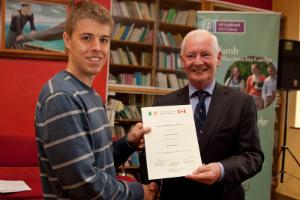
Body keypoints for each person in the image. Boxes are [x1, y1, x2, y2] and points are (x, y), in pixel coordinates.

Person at [34, 1, 157, 199]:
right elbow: (83, 183)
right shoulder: (63, 97)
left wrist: (128, 143)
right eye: (87, 38)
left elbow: (98, 161)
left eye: (104, 39)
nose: (97, 48)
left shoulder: (91, 94)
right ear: (67, 40)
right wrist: (138, 192)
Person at [140, 29, 264, 200]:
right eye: (191, 56)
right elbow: (149, 155)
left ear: (218, 58)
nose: (198, 62)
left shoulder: (242, 103)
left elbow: (253, 156)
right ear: (182, 61)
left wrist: (220, 169)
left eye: (205, 54)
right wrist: (151, 184)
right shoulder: (162, 104)